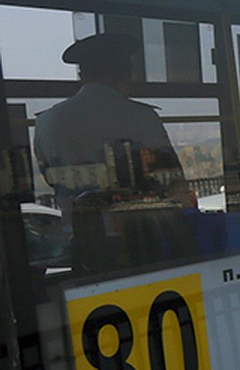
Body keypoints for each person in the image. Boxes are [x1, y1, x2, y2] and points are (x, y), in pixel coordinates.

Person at [34, 33, 193, 270]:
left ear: (82, 74)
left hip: (83, 243)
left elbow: (51, 177)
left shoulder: (47, 121)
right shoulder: (142, 118)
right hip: (142, 241)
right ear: (122, 72)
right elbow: (171, 180)